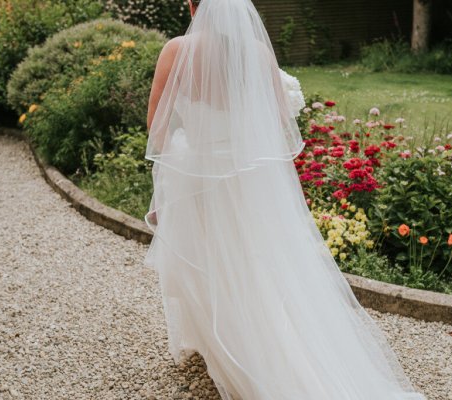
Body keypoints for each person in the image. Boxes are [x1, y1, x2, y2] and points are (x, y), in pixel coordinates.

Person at [143, 0, 427, 399]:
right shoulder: (257, 52)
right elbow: (278, 120)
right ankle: (263, 344)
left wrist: (179, 152)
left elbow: (156, 126)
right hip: (249, 179)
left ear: (193, 7)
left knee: (209, 262)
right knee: (256, 265)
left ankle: (230, 349)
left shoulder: (176, 51)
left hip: (197, 178)